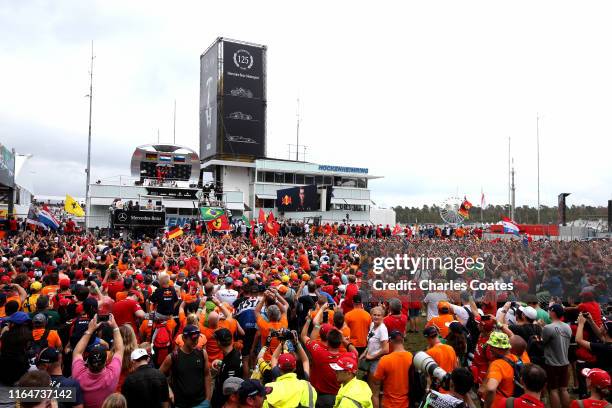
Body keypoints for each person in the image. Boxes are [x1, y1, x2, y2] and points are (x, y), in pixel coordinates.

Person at [72, 314, 124, 408]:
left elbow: (77, 352)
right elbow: (119, 350)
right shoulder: (112, 375)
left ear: (87, 362)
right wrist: (115, 327)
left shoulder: (78, 374)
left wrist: (90, 330)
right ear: (105, 363)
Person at [159, 324, 212, 408]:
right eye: (193, 339)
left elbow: (207, 375)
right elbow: (159, 375)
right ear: (184, 338)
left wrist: (208, 399)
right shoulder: (173, 357)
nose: (195, 342)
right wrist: (168, 390)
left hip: (201, 403)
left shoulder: (202, 354)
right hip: (181, 404)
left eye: (197, 339)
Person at [481, 331, 522, 408]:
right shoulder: (516, 359)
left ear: (499, 348)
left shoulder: (497, 364)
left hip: (498, 404)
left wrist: (486, 406)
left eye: (491, 346)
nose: (489, 349)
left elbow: (491, 389)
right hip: (512, 402)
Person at [372, 330, 412, 408]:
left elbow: (376, 380)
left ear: (390, 341)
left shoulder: (385, 359)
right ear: (403, 340)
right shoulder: (411, 357)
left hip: (389, 403)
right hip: (406, 402)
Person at [542, 304, 572, 408]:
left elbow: (543, 342)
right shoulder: (567, 326)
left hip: (552, 363)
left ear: (553, 312)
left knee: (553, 390)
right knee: (563, 389)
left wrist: (541, 327)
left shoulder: (548, 328)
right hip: (564, 362)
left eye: (549, 311)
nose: (548, 312)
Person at [360, 306, 388, 408]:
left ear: (383, 316)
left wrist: (372, 357)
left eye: (379, 315)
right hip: (370, 360)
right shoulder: (372, 325)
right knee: (370, 388)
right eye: (374, 315)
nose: (376, 317)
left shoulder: (382, 329)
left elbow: (386, 349)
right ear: (371, 315)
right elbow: (371, 341)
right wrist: (365, 352)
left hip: (377, 362)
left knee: (374, 393)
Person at [211, 328, 243, 408]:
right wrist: (221, 363)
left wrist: (226, 405)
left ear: (219, 342)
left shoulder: (232, 361)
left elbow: (230, 389)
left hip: (223, 401)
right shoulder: (234, 353)